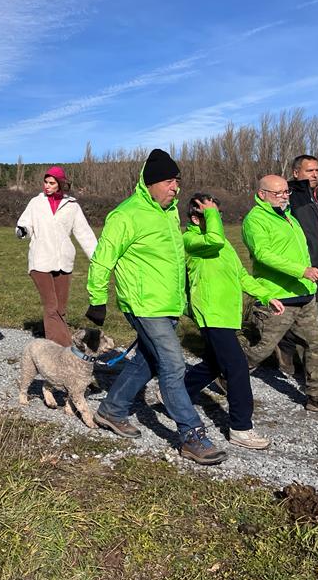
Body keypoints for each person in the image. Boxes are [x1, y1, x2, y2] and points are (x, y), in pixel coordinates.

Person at [86, 148, 227, 465]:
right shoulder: (126, 215)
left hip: (167, 305)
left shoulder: (168, 214)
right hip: (144, 306)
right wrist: (97, 300)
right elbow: (101, 260)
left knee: (147, 361)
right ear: (149, 183)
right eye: (168, 181)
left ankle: (111, 409)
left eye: (176, 181)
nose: (175, 187)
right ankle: (191, 435)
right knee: (174, 366)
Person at [182, 193, 285, 450]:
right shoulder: (191, 240)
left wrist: (266, 295)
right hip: (209, 312)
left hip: (227, 313)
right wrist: (211, 215)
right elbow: (214, 241)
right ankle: (241, 428)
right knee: (237, 366)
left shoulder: (222, 242)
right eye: (211, 214)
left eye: (218, 213)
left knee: (214, 363)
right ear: (196, 217)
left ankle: (178, 393)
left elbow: (240, 275)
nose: (218, 218)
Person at [241, 175, 318, 417]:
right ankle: (225, 373)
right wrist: (301, 271)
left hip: (304, 295)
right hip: (278, 297)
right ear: (262, 194)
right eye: (277, 193)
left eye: (286, 192)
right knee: (260, 349)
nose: (283, 197)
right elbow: (263, 254)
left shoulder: (289, 217)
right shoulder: (255, 220)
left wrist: (309, 274)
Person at [16, 166, 97, 347]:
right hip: (40, 260)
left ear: (60, 184)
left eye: (51, 183)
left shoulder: (72, 206)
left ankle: (55, 342)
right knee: (51, 307)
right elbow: (24, 223)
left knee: (60, 309)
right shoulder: (36, 203)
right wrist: (22, 231)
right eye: (45, 182)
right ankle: (63, 348)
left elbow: (84, 234)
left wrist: (98, 259)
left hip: (63, 262)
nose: (47, 186)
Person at [277, 154, 318, 373]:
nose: (315, 174)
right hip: (307, 268)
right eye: (309, 170)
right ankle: (313, 367)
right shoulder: (292, 198)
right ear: (296, 173)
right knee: (316, 318)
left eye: (317, 171)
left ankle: (306, 357)